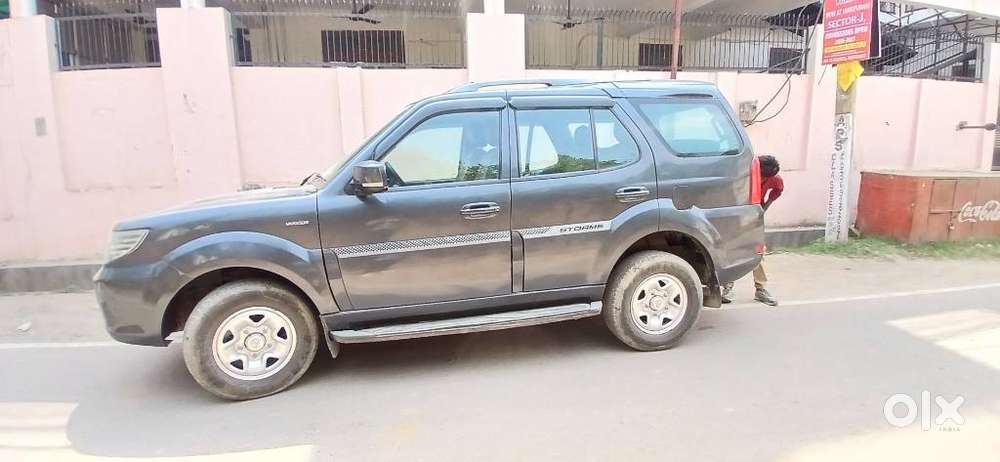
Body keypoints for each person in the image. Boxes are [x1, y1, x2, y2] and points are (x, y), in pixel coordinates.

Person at [722, 155, 783, 306]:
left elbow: (777, 191)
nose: (762, 180)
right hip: (736, 214)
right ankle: (728, 288)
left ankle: (760, 289)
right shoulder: (742, 173)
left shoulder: (774, 178)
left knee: (757, 251)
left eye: (765, 178)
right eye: (761, 176)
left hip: (755, 216)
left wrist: (764, 208)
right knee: (733, 250)